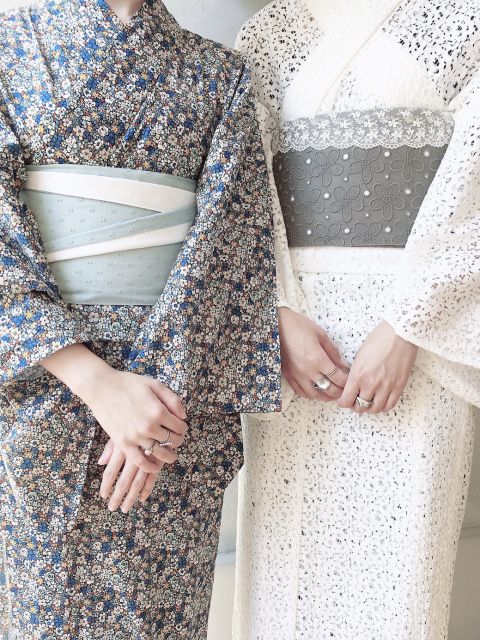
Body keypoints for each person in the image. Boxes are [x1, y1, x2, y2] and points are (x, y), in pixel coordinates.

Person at [0, 0, 280, 637]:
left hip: (175, 405)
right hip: (42, 389)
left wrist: (155, 407)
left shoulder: (220, 74)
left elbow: (229, 249)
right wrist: (99, 384)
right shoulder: (9, 44)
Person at [233, 1, 480, 638]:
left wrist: (406, 326)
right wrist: (278, 313)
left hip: (416, 340)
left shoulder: (462, 17)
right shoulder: (268, 32)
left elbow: (473, 187)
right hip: (298, 345)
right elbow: (241, 185)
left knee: (398, 586)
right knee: (288, 575)